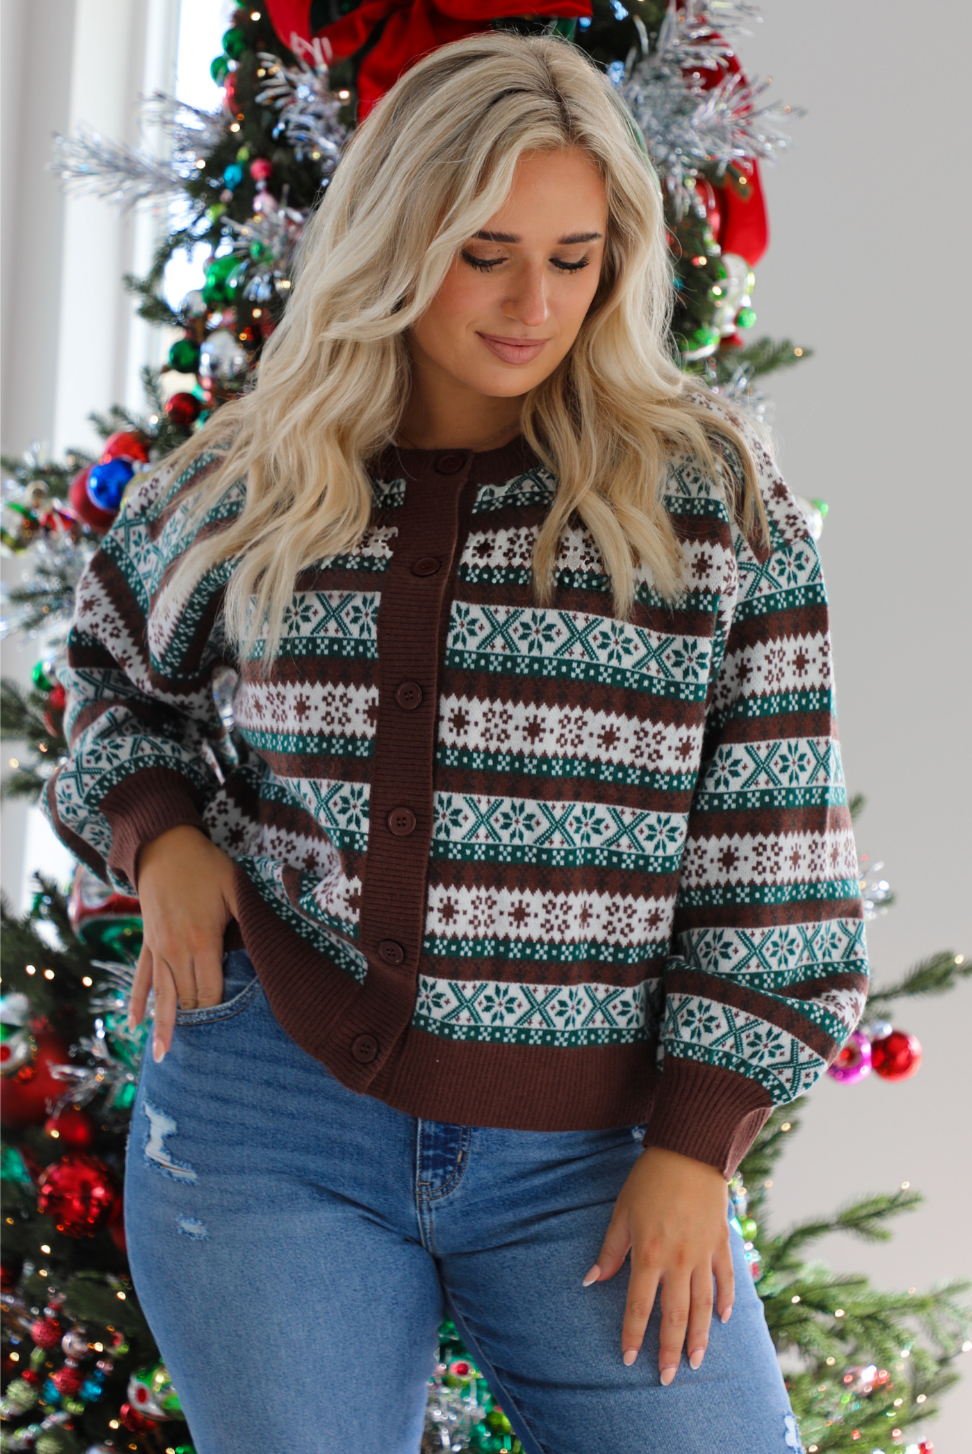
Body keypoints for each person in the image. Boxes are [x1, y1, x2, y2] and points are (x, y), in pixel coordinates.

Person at [44, 31, 868, 1454]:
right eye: (485, 250)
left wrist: (694, 1145)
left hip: (597, 1158)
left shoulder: (713, 500)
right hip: (265, 1124)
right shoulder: (249, 481)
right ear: (397, 233)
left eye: (574, 254)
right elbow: (112, 682)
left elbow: (776, 857)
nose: (532, 302)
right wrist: (162, 831)